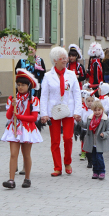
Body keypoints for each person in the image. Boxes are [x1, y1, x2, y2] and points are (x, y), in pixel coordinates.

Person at [40, 46, 82, 176]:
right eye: (62, 58)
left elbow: (77, 94)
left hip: (68, 111)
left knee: (68, 138)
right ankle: (57, 167)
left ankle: (67, 161)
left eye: (66, 58)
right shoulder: (47, 76)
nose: (65, 60)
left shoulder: (71, 75)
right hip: (53, 111)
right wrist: (44, 114)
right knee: (55, 140)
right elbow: (44, 96)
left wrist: (78, 112)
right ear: (55, 60)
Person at [1, 69, 42, 189]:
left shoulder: (34, 100)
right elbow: (8, 116)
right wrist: (12, 107)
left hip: (27, 129)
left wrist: (19, 116)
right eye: (18, 85)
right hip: (14, 128)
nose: (20, 87)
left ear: (29, 86)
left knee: (26, 155)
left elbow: (34, 117)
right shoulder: (12, 98)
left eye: (23, 85)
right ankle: (11, 180)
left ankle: (27, 178)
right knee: (13, 154)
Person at [80, 100, 109, 180]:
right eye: (95, 110)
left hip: (99, 142)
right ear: (92, 110)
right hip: (92, 142)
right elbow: (85, 126)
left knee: (99, 157)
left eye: (99, 110)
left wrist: (104, 134)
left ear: (102, 110)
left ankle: (102, 171)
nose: (97, 112)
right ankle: (95, 171)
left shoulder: (106, 119)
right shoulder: (90, 118)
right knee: (93, 158)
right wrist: (79, 121)